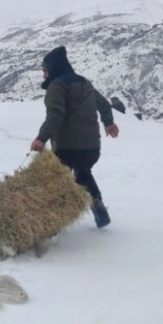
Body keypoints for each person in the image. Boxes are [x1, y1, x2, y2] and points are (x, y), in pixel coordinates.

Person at [30, 46, 119, 228]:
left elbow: (55, 115)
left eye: (45, 71)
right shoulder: (85, 83)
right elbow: (103, 105)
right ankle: (98, 206)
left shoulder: (57, 86)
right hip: (92, 146)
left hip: (67, 146)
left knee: (57, 180)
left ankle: (52, 221)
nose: (44, 75)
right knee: (83, 174)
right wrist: (108, 123)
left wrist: (41, 138)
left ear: (53, 69)